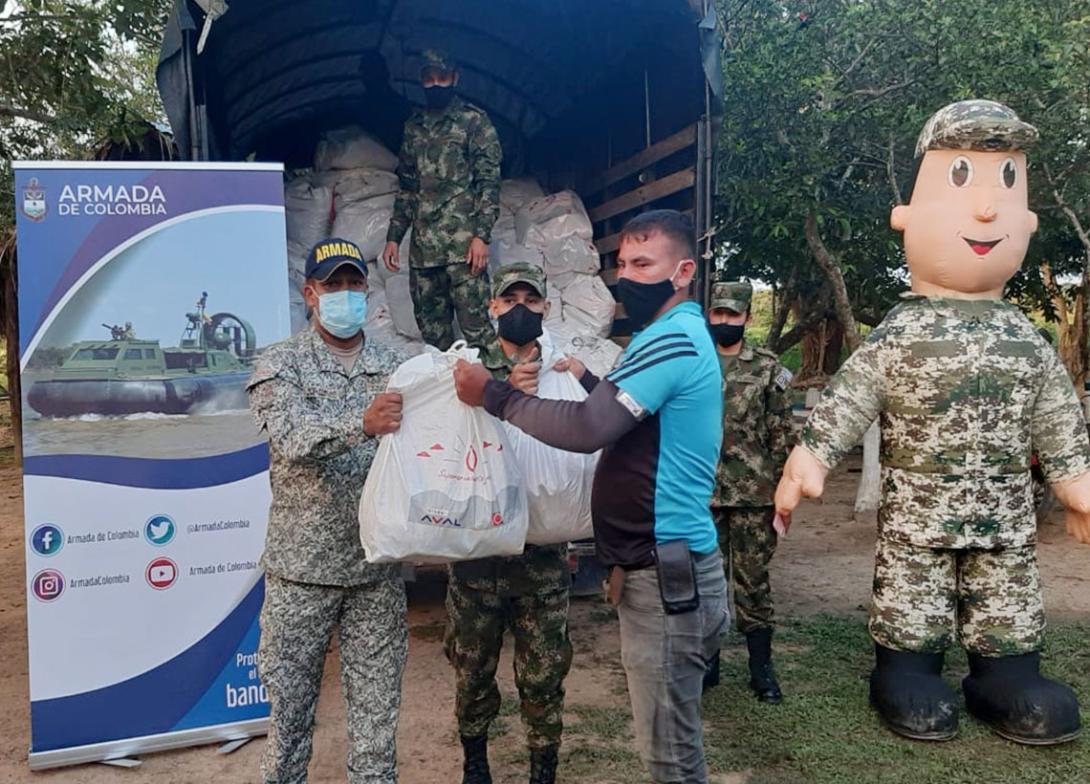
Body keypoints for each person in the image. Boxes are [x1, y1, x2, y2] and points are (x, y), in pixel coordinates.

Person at [775, 100, 1090, 745]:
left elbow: (1056, 414)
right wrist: (809, 458)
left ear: (1026, 216)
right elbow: (848, 398)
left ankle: (1005, 675)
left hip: (1005, 516)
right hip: (918, 516)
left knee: (1008, 603)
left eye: (1005, 181)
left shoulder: (1025, 339)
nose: (984, 210)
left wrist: (1076, 480)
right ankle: (905, 671)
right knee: (911, 605)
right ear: (907, 216)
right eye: (961, 178)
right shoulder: (901, 333)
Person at [453, 210, 728, 783]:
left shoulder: (672, 340)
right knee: (668, 745)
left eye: (643, 264)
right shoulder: (663, 338)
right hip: (653, 564)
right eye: (623, 263)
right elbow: (630, 421)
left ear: (683, 271)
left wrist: (498, 398)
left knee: (671, 757)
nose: (627, 276)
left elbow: (589, 430)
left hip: (667, 569)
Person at [247, 237, 409, 783]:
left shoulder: (398, 366)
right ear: (309, 293)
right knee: (289, 725)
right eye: (332, 285)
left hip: (375, 572)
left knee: (376, 732)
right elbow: (292, 438)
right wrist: (360, 424)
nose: (345, 294)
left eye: (353, 283)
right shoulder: (279, 364)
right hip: (301, 576)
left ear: (367, 290)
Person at [446, 262, 573, 784]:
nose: (521, 307)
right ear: (492, 308)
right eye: (510, 299)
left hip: (540, 564)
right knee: (472, 672)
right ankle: (475, 763)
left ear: (545, 308)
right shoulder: (466, 371)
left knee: (543, 676)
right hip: (477, 560)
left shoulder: (565, 377)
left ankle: (543, 769)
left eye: (531, 299)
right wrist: (501, 392)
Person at [382, 48, 504, 369]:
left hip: (464, 251)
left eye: (442, 76)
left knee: (478, 333)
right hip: (424, 253)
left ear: (455, 77)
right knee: (434, 341)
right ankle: (446, 408)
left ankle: (499, 404)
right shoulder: (414, 127)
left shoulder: (473, 122)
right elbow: (407, 187)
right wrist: (394, 237)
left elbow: (488, 183)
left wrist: (482, 236)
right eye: (428, 77)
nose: (435, 84)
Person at [706, 280, 793, 703]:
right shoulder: (695, 363)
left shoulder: (767, 368)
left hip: (755, 495)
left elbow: (781, 437)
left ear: (747, 318)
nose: (724, 321)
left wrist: (784, 495)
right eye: (718, 314)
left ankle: (762, 670)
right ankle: (707, 665)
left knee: (753, 583)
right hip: (703, 496)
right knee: (706, 583)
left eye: (732, 315)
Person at [356, 49, 412, 154]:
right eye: (364, 74)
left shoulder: (398, 104)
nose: (365, 78)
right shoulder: (364, 104)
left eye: (368, 73)